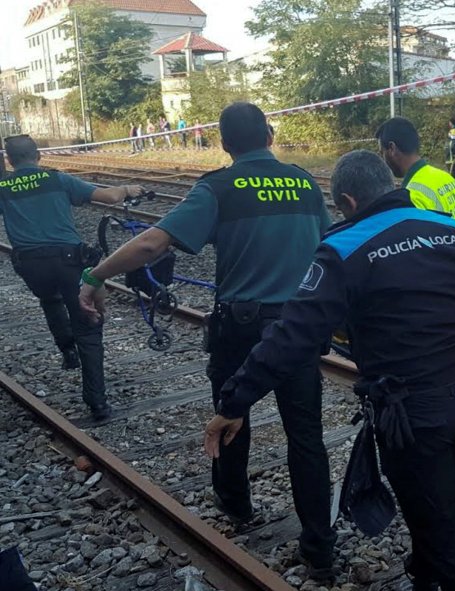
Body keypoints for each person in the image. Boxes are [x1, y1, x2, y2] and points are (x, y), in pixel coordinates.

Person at [201, 149, 455, 591]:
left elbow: (291, 337)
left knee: (448, 541)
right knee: (434, 504)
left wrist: (234, 400)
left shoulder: (344, 249)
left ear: (348, 202)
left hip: (411, 417)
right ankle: (424, 576)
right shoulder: (453, 230)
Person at [77, 103, 337, 580]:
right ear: (271, 135)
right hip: (297, 329)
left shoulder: (219, 186)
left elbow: (152, 245)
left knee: (232, 414)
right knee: (307, 438)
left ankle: (236, 503)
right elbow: (328, 243)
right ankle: (320, 547)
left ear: (224, 143)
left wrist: (95, 274)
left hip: (241, 325)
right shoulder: (304, 183)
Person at [0, 134, 144, 420]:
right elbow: (109, 197)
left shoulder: (3, 187)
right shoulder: (57, 179)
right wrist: (129, 187)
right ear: (38, 155)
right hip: (67, 261)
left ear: (10, 160)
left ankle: (68, 351)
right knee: (88, 326)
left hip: (29, 266)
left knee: (49, 299)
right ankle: (98, 404)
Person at [377, 117, 455, 228]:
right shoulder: (447, 178)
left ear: (392, 149)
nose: (383, 158)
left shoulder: (410, 196)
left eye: (382, 152)